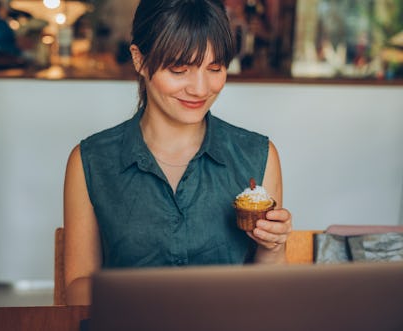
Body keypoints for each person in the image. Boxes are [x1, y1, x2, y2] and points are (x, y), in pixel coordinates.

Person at [63, 0, 292, 304]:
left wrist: (272, 248)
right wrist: (162, 295)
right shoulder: (90, 161)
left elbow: (271, 295)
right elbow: (77, 290)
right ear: (140, 60)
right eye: (179, 69)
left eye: (215, 68)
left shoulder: (258, 156)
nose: (200, 89)